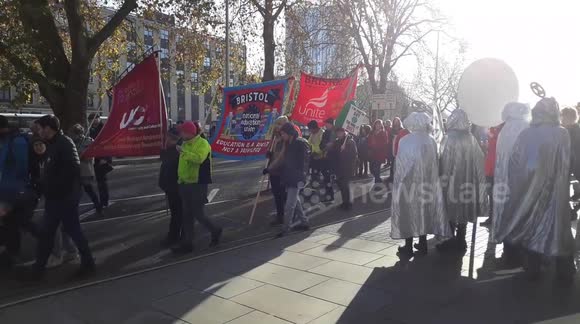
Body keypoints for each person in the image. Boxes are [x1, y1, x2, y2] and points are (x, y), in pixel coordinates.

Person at [493, 98, 576, 282]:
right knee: (557, 229)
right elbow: (565, 164)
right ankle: (564, 272)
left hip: (528, 190)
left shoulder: (525, 134)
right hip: (555, 191)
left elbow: (514, 164)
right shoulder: (561, 134)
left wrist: (520, 186)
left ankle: (533, 268)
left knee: (532, 226)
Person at [30, 115, 95, 279]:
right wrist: (43, 183)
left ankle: (88, 263)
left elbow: (73, 169)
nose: (38, 132)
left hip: (65, 197)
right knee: (50, 232)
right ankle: (38, 268)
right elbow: (50, 169)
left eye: (40, 128)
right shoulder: (51, 144)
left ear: (48, 128)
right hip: (55, 197)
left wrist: (55, 187)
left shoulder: (65, 143)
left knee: (71, 230)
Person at [391, 112, 450, 257]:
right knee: (424, 211)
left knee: (407, 212)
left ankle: (409, 245)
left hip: (408, 184)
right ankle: (422, 244)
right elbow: (435, 163)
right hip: (427, 185)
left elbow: (400, 165)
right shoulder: (431, 141)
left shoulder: (404, 140)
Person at [436, 109, 487, 253]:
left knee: (450, 208)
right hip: (466, 182)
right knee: (463, 208)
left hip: (449, 181)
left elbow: (442, 159)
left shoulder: (448, 138)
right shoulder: (470, 138)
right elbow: (479, 159)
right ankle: (461, 239)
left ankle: (449, 239)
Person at [172, 121, 222, 254]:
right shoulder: (184, 143)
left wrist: (184, 152)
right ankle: (188, 244)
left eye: (182, 132)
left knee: (198, 213)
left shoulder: (202, 143)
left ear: (189, 132)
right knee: (187, 215)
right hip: (184, 183)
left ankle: (215, 230)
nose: (180, 134)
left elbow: (199, 159)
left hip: (197, 184)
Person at [489, 102, 530, 264]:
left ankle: (508, 248)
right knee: (520, 211)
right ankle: (518, 248)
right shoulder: (526, 128)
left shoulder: (505, 130)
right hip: (521, 180)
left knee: (506, 210)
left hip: (502, 180)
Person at [265, 122, 311, 237]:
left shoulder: (300, 143)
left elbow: (305, 163)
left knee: (290, 204)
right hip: (289, 176)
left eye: (283, 133)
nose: (282, 136)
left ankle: (286, 228)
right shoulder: (287, 143)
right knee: (295, 201)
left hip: (297, 178)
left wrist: (300, 176)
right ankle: (304, 222)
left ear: (290, 133)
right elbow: (281, 158)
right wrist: (269, 168)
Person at [0, 115, 34, 268]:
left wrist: (15, 191)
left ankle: (13, 253)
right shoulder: (7, 140)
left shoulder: (17, 141)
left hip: (13, 190)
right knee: (10, 223)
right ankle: (10, 252)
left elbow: (22, 168)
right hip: (7, 188)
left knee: (15, 223)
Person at [70, 124, 102, 216]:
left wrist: (80, 156)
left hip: (85, 171)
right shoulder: (72, 142)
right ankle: (73, 212)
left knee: (89, 190)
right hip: (75, 171)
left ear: (79, 134)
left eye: (74, 134)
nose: (73, 136)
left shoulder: (88, 141)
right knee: (75, 193)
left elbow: (90, 157)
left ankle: (98, 207)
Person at [159, 127, 183, 246]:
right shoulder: (168, 150)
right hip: (170, 187)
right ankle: (175, 235)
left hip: (175, 187)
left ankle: (175, 237)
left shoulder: (178, 151)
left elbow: (172, 170)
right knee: (176, 213)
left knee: (177, 213)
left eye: (167, 137)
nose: (165, 139)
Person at [479, 121, 504, 228]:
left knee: (496, 195)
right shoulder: (492, 130)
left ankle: (496, 218)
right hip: (490, 167)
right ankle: (492, 217)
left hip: (496, 168)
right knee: (491, 194)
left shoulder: (502, 132)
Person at [266, 116, 290, 226]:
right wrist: (268, 153)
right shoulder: (275, 137)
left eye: (279, 124)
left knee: (284, 195)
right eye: (277, 124)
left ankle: (291, 215)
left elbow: (282, 157)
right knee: (277, 195)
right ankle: (280, 217)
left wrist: (270, 168)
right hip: (273, 171)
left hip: (282, 170)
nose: (277, 127)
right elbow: (271, 150)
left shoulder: (287, 139)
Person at [330, 128, 357, 210]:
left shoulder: (350, 142)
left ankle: (348, 203)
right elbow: (333, 154)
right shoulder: (336, 142)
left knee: (345, 185)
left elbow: (354, 155)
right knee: (341, 186)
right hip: (339, 167)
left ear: (344, 132)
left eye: (340, 132)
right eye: (337, 132)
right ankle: (344, 201)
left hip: (347, 167)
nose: (339, 134)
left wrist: (345, 150)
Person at [89, 114, 112, 208]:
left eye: (95, 119)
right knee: (98, 181)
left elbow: (108, 143)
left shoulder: (104, 128)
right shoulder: (90, 129)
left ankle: (104, 201)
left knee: (102, 181)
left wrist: (105, 158)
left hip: (102, 158)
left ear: (98, 119)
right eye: (91, 120)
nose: (93, 121)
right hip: (94, 158)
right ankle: (101, 200)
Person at [561, 107, 580, 216]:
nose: (561, 119)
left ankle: (572, 211)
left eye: (563, 116)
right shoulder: (576, 129)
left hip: (572, 164)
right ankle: (573, 210)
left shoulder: (567, 131)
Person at [319, 118, 337, 202]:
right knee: (326, 178)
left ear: (331, 124)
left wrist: (331, 146)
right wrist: (325, 146)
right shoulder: (325, 132)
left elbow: (336, 146)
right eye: (326, 123)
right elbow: (321, 144)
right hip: (324, 158)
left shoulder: (335, 133)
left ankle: (330, 195)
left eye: (327, 123)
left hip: (332, 158)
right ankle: (328, 194)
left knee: (329, 177)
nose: (326, 125)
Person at [367, 120, 389, 185]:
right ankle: (378, 178)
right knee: (371, 168)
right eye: (377, 124)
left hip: (380, 152)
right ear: (375, 125)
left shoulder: (384, 132)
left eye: (379, 124)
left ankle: (377, 181)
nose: (378, 125)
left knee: (377, 167)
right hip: (372, 152)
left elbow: (385, 142)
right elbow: (368, 140)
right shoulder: (372, 132)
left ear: (381, 125)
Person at [388, 117, 409, 183]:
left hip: (399, 148)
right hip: (392, 147)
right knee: (392, 163)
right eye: (395, 121)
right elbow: (388, 138)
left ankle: (399, 177)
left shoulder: (402, 129)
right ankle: (391, 176)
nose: (396, 122)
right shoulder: (391, 130)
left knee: (399, 164)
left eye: (397, 121)